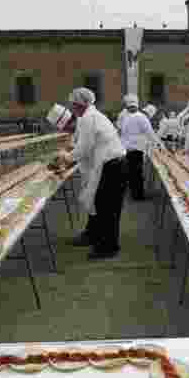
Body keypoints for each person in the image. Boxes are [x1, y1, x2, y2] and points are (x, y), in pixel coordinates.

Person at [53, 87, 127, 260]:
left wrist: (66, 159)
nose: (72, 108)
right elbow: (82, 147)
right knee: (99, 203)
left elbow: (83, 149)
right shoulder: (89, 117)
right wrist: (70, 157)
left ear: (79, 105)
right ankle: (93, 236)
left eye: (73, 105)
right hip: (111, 164)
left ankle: (108, 247)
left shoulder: (88, 118)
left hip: (113, 166)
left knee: (107, 208)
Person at [119, 95, 161, 200]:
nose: (130, 109)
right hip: (134, 150)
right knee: (136, 174)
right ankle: (138, 195)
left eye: (131, 107)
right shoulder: (139, 117)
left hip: (129, 149)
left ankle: (135, 194)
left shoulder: (129, 117)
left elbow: (123, 133)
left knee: (133, 174)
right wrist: (160, 145)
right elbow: (150, 133)